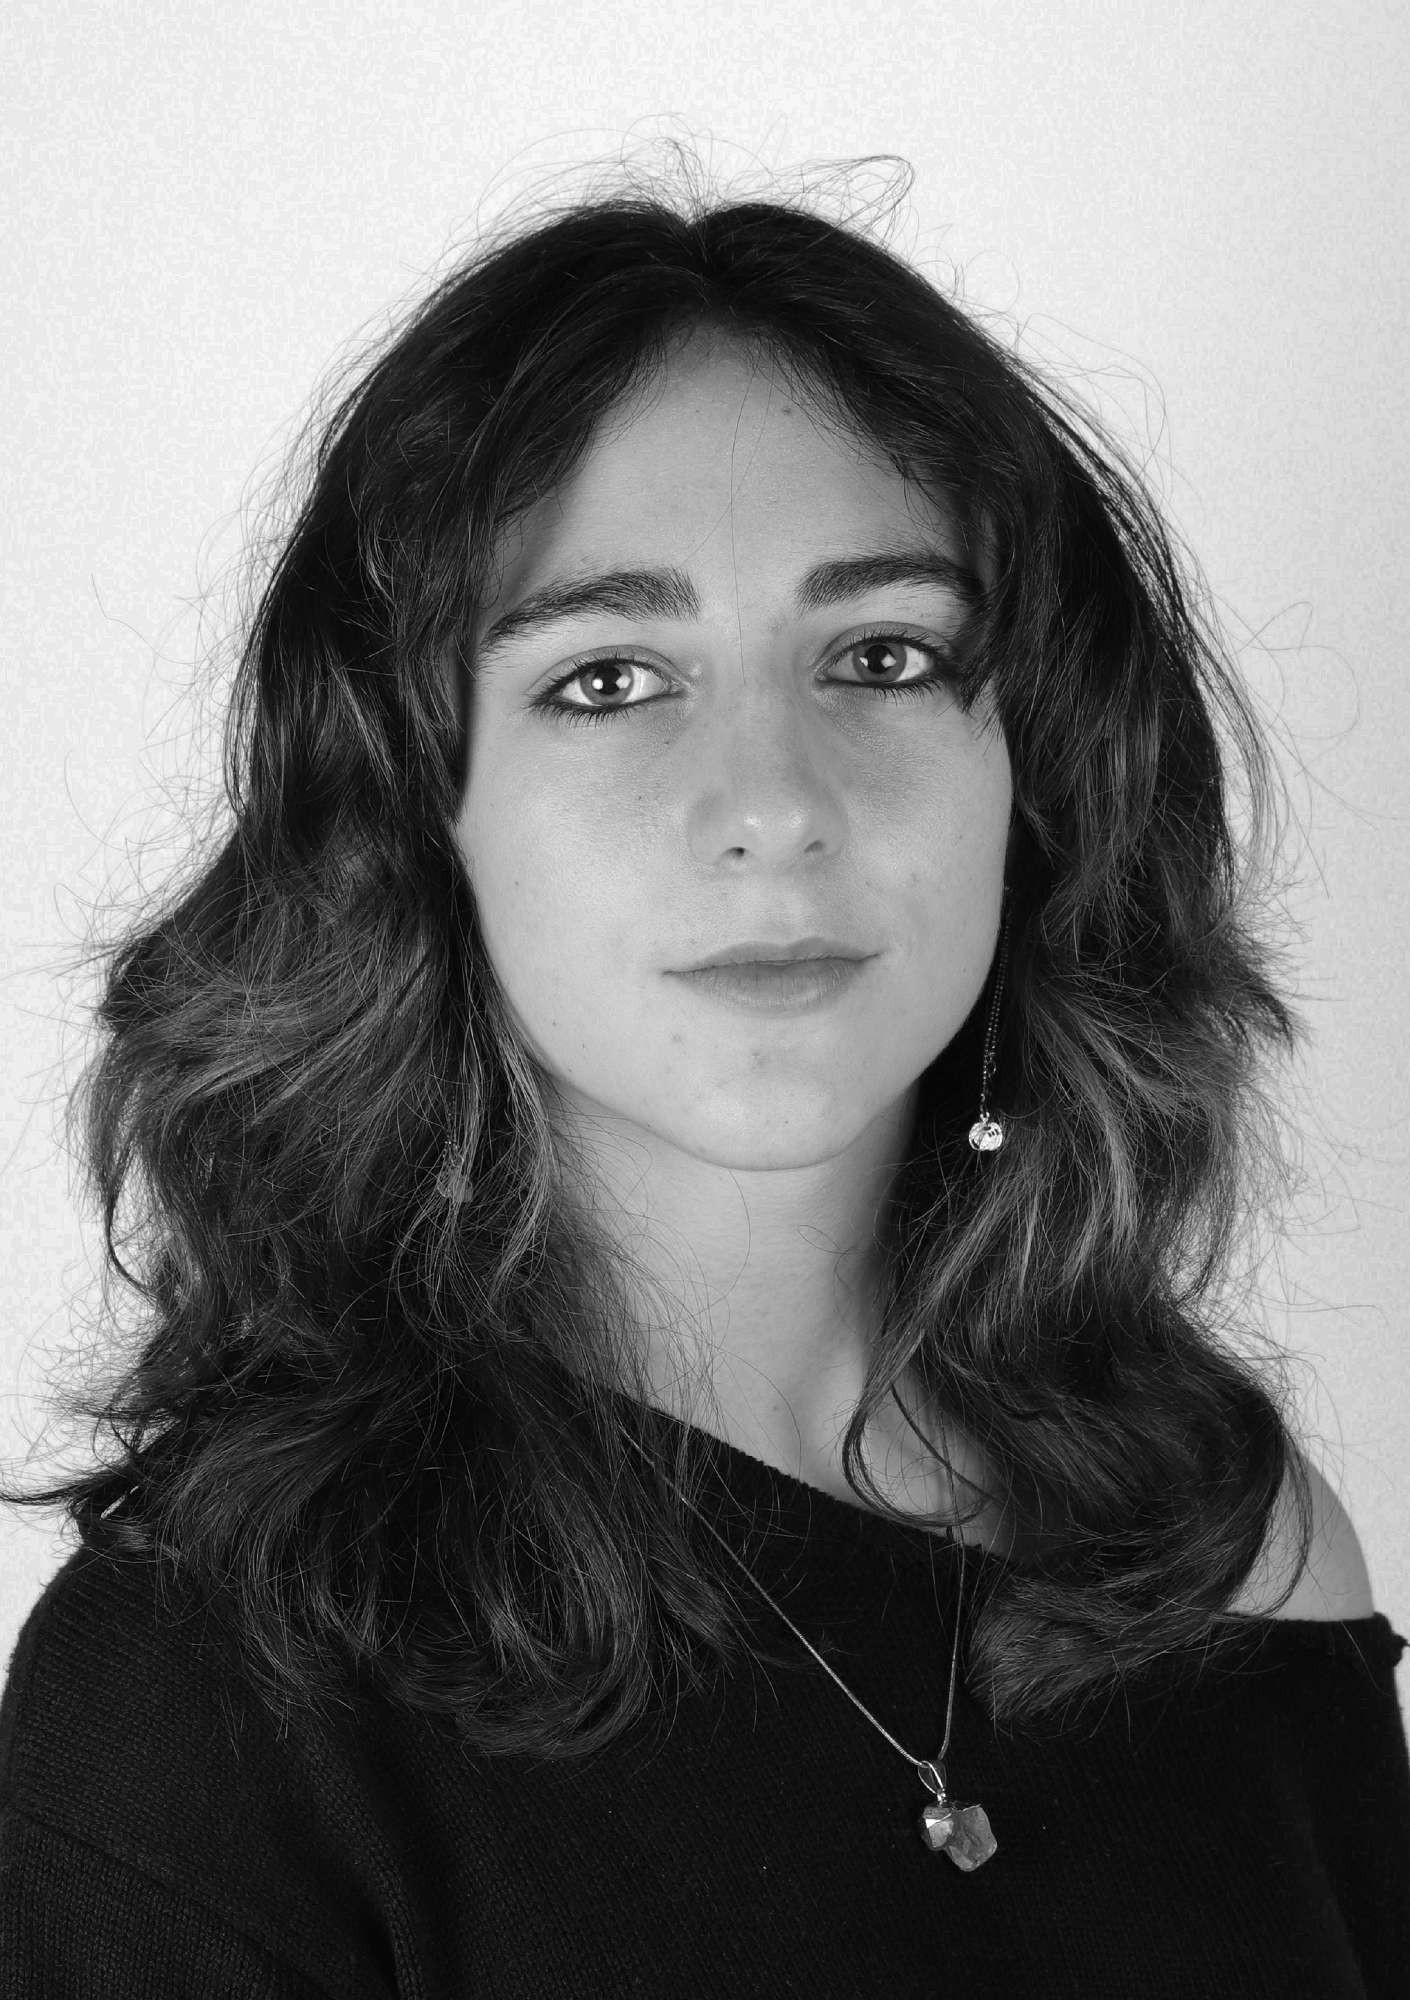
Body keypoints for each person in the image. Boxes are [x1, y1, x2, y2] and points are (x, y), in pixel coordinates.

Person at [1, 155, 1406, 1998]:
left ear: (1039, 779)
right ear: (418, 818)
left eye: (880, 656)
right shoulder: (206, 1697)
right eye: (608, 678)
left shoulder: (1230, 1550)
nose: (771, 806)